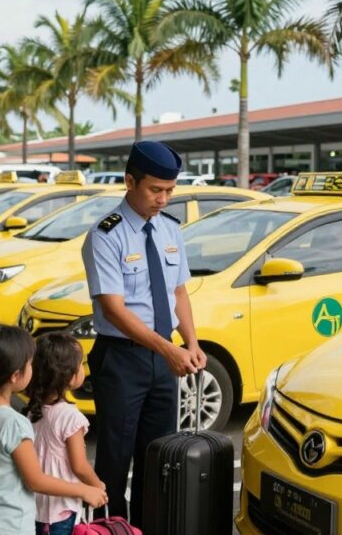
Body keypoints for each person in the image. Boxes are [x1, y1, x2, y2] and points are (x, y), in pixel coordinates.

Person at [81, 140, 207, 524]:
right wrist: (167, 350)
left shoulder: (170, 230)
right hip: (121, 358)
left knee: (158, 460)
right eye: (155, 190)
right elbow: (113, 310)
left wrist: (191, 342)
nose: (163, 199)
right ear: (129, 181)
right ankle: (111, 530)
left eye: (170, 190)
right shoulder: (106, 235)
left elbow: (179, 291)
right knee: (115, 461)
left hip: (161, 358)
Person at [0, 325, 107, 535]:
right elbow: (35, 480)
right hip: (8, 526)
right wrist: (84, 490)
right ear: (15, 375)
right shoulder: (14, 423)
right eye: (30, 363)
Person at [24, 333, 104, 535]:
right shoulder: (70, 417)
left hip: (34, 507)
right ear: (69, 376)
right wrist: (98, 486)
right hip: (61, 511)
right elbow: (79, 466)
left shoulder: (32, 409)